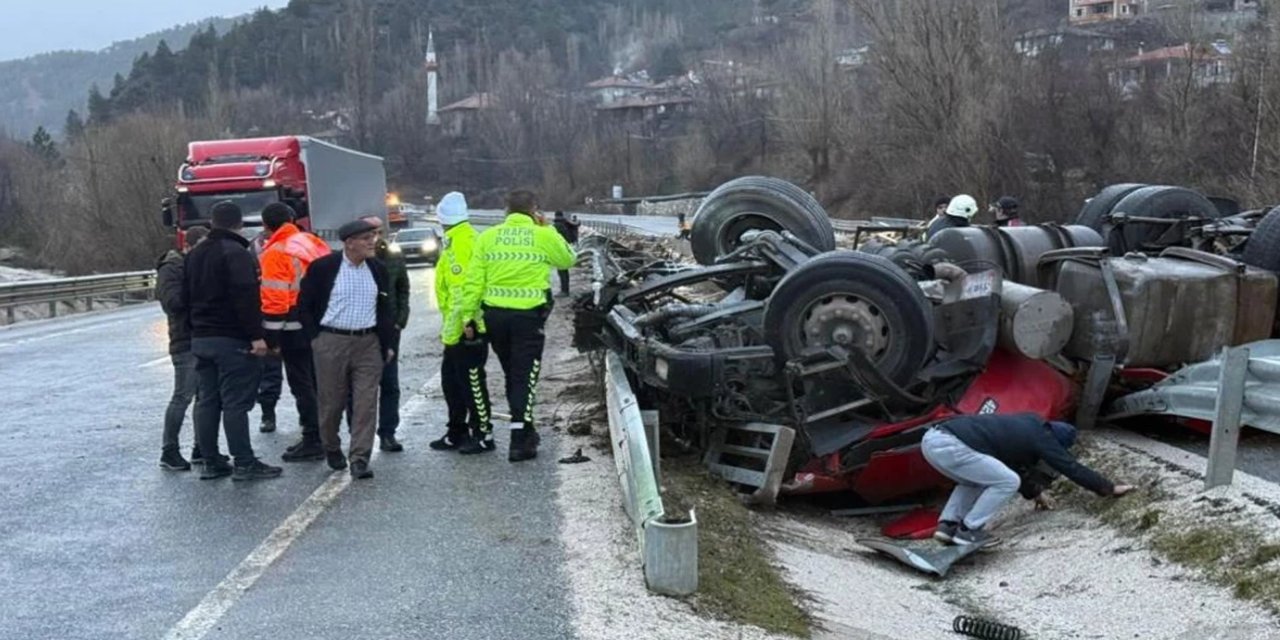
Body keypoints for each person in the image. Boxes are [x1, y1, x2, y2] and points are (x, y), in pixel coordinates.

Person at [452, 190, 576, 462]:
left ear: (505, 210)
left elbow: (473, 281)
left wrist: (468, 317)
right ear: (535, 210)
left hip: (494, 318)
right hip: (528, 319)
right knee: (524, 375)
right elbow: (568, 259)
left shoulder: (488, 237)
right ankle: (519, 439)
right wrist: (550, 230)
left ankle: (527, 429)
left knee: (512, 373)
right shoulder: (542, 235)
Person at [921, 414, 1134, 548]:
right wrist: (1108, 488)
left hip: (932, 440)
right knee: (1008, 482)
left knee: (976, 480)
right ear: (1056, 440)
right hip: (952, 444)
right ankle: (969, 531)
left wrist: (1035, 494)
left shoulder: (1026, 425)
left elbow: (1011, 467)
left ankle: (948, 526)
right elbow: (1069, 466)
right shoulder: (1043, 437)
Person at [184, 202, 282, 482]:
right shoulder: (236, 253)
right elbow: (245, 297)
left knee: (207, 401)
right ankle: (244, 461)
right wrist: (256, 336)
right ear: (239, 223)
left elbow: (185, 296)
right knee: (236, 403)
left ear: (212, 222)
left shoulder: (195, 254)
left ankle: (211, 460)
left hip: (201, 338)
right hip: (231, 338)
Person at [298, 218, 397, 480]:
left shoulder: (377, 269)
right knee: (332, 402)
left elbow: (385, 309)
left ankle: (360, 458)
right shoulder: (324, 268)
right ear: (349, 243)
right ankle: (331, 446)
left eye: (373, 237)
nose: (372, 242)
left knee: (366, 402)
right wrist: (315, 339)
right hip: (331, 342)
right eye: (366, 239)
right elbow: (304, 304)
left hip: (368, 342)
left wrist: (387, 344)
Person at [257, 202, 332, 462]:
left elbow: (275, 300)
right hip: (321, 324)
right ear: (291, 218)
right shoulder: (312, 242)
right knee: (318, 382)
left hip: (293, 329)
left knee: (302, 385)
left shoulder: (274, 252)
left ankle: (313, 439)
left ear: (266, 226)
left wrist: (271, 339)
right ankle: (325, 435)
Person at [431, 192, 494, 454]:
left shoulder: (465, 242)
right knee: (452, 382)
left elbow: (470, 286)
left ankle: (483, 434)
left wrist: (469, 321)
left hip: (468, 326)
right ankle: (457, 430)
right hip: (455, 327)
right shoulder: (455, 240)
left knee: (472, 382)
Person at [155, 225, 208, 471]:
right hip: (184, 339)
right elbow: (173, 302)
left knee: (203, 397)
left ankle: (202, 447)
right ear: (188, 246)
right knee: (182, 396)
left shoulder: (189, 265)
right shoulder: (172, 267)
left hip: (200, 337)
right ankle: (169, 450)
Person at [370, 216, 410, 452]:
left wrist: (400, 320)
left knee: (390, 383)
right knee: (360, 387)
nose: (375, 237)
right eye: (370, 232)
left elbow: (403, 288)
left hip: (390, 329)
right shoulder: (356, 259)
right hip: (363, 330)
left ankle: (388, 433)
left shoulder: (393, 257)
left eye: (378, 231)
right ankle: (358, 435)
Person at [552, 211, 580, 297]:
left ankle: (564, 291)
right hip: (567, 248)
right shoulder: (567, 223)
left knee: (562, 271)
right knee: (563, 270)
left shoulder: (557, 226)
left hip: (560, 250)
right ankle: (565, 290)